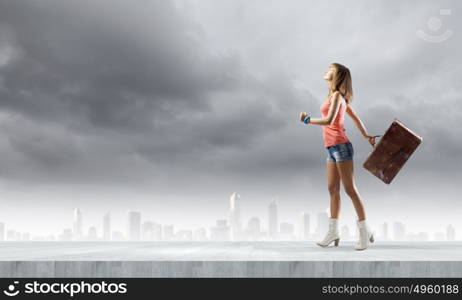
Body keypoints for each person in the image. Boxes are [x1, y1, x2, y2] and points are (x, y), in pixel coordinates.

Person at [300, 63, 378, 250]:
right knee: (332, 189)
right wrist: (366, 135)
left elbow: (328, 120)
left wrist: (307, 120)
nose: (326, 70)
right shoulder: (337, 97)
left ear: (338, 76)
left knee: (350, 189)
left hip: (341, 147)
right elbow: (355, 116)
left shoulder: (337, 96)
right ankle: (333, 231)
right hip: (331, 148)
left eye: (330, 69)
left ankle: (364, 230)